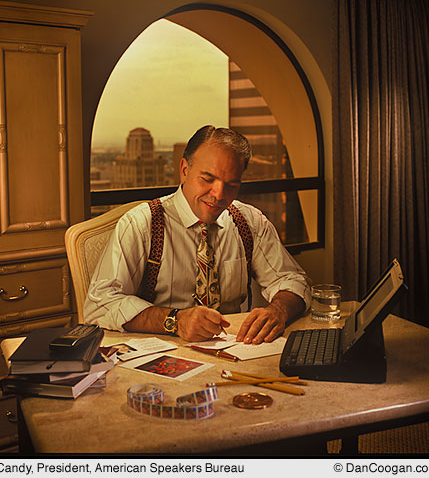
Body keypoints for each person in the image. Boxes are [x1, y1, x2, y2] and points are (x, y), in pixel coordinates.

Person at [84, 126, 311, 344]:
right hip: (161, 358)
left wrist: (278, 310)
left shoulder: (249, 222)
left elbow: (293, 280)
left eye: (231, 184)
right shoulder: (141, 224)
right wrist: (175, 320)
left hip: (236, 353)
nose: (219, 195)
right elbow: (101, 303)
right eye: (208, 179)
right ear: (184, 170)